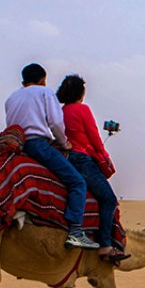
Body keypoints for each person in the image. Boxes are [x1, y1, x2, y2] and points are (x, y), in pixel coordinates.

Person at [5, 63, 99, 250]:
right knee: (77, 182)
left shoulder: (11, 98)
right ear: (42, 79)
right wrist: (64, 143)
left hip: (18, 145)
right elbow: (56, 122)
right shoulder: (44, 92)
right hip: (38, 144)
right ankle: (75, 232)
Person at [56, 74, 130, 263]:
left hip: (66, 158)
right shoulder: (82, 109)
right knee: (109, 199)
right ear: (80, 93)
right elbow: (94, 136)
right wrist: (104, 155)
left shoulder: (61, 112)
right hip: (83, 159)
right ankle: (106, 246)